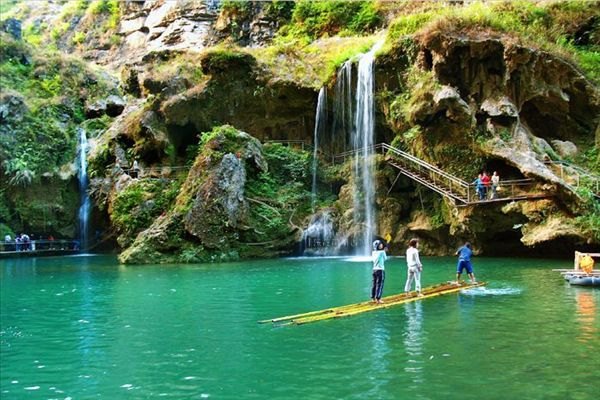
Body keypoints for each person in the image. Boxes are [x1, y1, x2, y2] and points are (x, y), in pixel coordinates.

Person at [371, 239, 388, 304]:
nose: (381, 245)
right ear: (378, 246)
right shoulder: (382, 252)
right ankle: (378, 298)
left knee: (374, 284)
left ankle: (373, 298)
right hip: (380, 270)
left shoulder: (373, 252)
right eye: (380, 244)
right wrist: (384, 251)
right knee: (380, 284)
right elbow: (385, 259)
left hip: (374, 270)